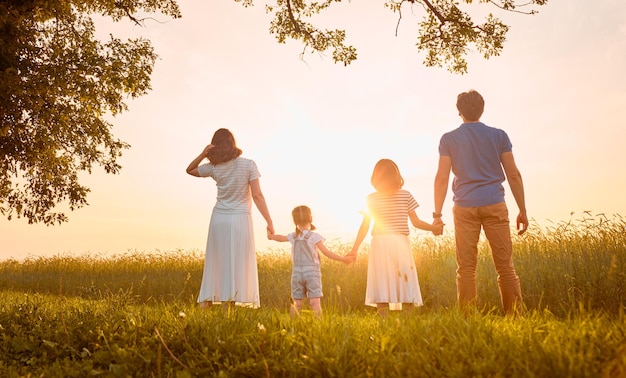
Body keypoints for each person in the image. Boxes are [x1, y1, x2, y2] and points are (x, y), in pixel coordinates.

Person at [433, 89, 528, 316]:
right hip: (495, 204)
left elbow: (442, 177)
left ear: (459, 112)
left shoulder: (448, 139)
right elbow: (513, 174)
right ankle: (515, 317)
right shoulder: (499, 136)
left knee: (466, 268)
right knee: (505, 266)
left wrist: (437, 214)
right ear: (482, 109)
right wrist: (522, 210)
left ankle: (467, 320)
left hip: (464, 207)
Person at [186, 128, 274, 309]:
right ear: (233, 143)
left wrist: (203, 153)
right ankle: (228, 309)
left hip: (219, 219)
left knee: (216, 263)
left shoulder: (213, 167)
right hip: (241, 218)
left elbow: (190, 170)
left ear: (215, 145)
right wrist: (269, 221)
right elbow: (257, 195)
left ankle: (206, 305)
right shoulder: (249, 164)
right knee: (236, 263)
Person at [347, 159, 443, 317]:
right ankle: (408, 322)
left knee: (381, 280)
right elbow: (416, 222)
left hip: (380, 243)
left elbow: (365, 226)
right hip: (400, 243)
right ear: (396, 176)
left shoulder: (371, 198)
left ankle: (383, 320)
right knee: (406, 281)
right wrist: (434, 228)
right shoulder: (405, 195)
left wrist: (354, 248)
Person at [268, 205, 353, 318]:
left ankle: (292, 327)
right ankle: (319, 327)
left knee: (296, 303)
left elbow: (280, 238)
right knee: (314, 302)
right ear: (311, 219)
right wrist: (343, 259)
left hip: (297, 273)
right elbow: (327, 253)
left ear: (294, 221)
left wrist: (271, 236)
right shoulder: (314, 236)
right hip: (312, 273)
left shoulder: (293, 236)